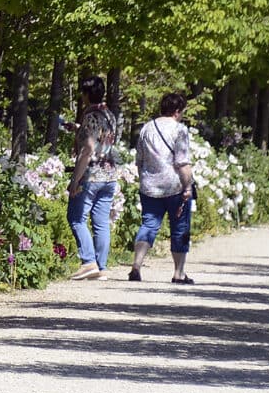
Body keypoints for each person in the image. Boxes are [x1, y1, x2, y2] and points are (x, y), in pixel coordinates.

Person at [131, 92, 198, 284]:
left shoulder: (147, 128)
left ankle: (136, 265)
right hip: (175, 187)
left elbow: (140, 160)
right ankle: (179, 273)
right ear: (177, 111)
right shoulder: (180, 130)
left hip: (150, 187)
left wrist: (144, 179)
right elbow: (182, 162)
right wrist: (188, 187)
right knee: (180, 229)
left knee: (149, 225)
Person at [67, 75, 125, 279]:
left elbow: (88, 149)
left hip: (91, 175)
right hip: (109, 174)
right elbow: (103, 139)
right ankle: (101, 267)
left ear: (86, 94)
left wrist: (75, 180)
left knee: (76, 218)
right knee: (101, 221)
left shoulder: (90, 116)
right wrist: (77, 129)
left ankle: (88, 261)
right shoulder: (110, 114)